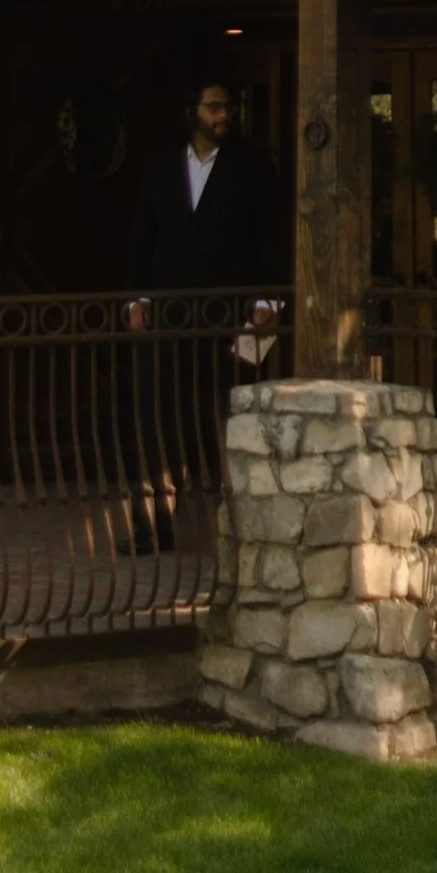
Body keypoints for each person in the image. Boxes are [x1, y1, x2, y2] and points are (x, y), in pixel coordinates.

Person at [122, 80, 287, 544]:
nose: (223, 115)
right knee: (157, 416)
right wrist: (137, 300)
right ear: (191, 111)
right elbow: (142, 236)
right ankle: (152, 527)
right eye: (213, 107)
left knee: (235, 416)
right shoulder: (161, 166)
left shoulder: (254, 166)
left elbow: (272, 236)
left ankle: (246, 529)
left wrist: (267, 302)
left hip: (231, 315)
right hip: (169, 314)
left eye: (227, 107)